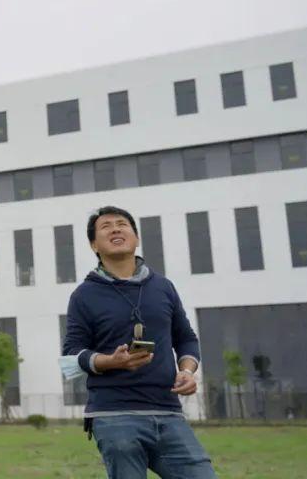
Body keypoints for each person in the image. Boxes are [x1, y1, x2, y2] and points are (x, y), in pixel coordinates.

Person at [62, 205, 217, 479]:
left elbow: (186, 339)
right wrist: (110, 361)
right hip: (114, 416)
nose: (116, 228)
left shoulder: (164, 287)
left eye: (122, 224)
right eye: (106, 226)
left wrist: (187, 371)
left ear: (135, 237)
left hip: (168, 412)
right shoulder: (83, 295)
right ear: (93, 245)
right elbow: (71, 358)